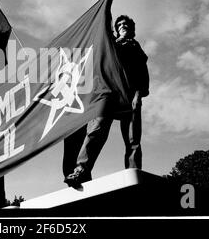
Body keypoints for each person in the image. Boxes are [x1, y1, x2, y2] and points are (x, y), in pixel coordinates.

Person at [63, 15, 149, 187]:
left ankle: (133, 173)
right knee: (96, 129)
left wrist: (138, 95)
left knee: (133, 139)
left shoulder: (135, 47)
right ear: (116, 29)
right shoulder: (110, 44)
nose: (123, 26)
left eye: (126, 24)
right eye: (120, 24)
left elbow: (142, 74)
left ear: (132, 29)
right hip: (108, 94)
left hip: (130, 95)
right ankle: (81, 169)